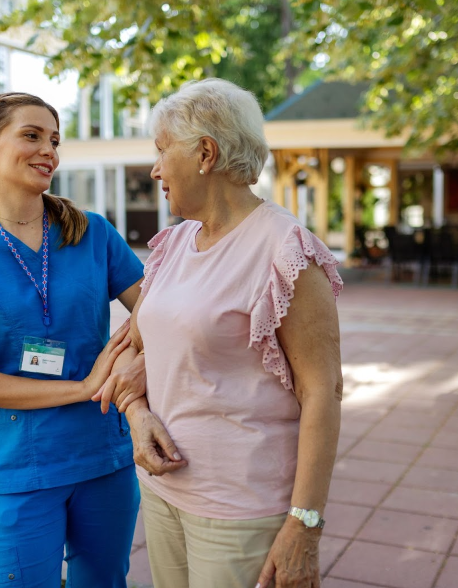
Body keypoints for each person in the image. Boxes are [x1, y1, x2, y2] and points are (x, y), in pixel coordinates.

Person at [98, 78, 344, 588]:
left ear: (205, 153)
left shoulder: (285, 251)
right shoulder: (172, 245)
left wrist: (306, 523)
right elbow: (130, 351)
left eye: (163, 151)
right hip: (164, 494)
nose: (155, 169)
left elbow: (323, 392)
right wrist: (138, 414)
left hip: (241, 510)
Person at [0, 92, 149, 587]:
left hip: (102, 458)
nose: (49, 150)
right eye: (32, 135)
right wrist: (84, 387)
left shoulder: (93, 235)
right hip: (18, 472)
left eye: (55, 140)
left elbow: (160, 314)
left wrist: (134, 356)